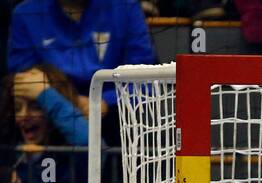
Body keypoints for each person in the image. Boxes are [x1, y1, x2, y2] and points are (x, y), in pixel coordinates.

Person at [7, 0, 155, 112]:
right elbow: (25, 82)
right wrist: (70, 103)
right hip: (50, 118)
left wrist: (103, 102)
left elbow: (144, 82)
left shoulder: (126, 7)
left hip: (117, 118)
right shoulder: (26, 14)